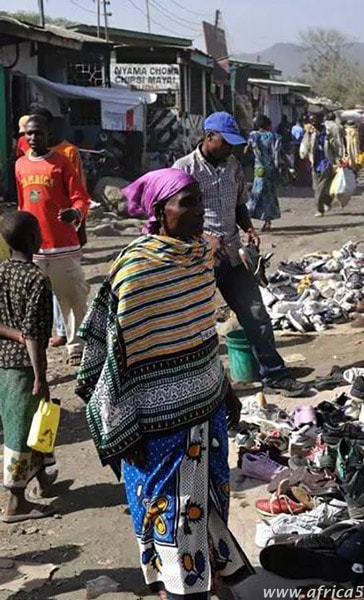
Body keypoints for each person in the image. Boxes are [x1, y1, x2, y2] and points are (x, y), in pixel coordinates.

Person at [77, 168, 253, 600]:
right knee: (169, 512)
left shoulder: (198, 256)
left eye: (199, 200)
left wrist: (225, 385)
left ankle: (208, 577)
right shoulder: (137, 268)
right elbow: (116, 357)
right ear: (160, 210)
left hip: (206, 403)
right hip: (153, 419)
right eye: (186, 202)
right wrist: (124, 426)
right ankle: (178, 589)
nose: (199, 211)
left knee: (211, 498)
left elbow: (200, 329)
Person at [172, 111, 308, 397]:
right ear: (209, 137)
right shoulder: (184, 169)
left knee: (256, 313)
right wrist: (204, 238)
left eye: (234, 144)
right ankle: (195, 387)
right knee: (194, 324)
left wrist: (248, 228)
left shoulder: (232, 165)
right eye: (226, 142)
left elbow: (238, 205)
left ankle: (274, 374)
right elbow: (173, 218)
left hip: (233, 254)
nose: (231, 149)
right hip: (198, 259)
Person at [15, 115, 90, 364]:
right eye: (29, 133)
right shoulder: (20, 166)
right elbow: (22, 203)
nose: (34, 138)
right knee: (33, 303)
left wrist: (75, 213)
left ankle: (75, 347)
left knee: (72, 297)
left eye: (38, 133)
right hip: (33, 248)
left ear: (48, 134)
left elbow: (80, 197)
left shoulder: (61, 163)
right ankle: (34, 352)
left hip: (62, 245)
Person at [0, 211, 56, 523]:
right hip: (24, 367)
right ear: (35, 238)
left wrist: (12, 334)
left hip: (3, 361)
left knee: (36, 422)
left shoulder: (1, 272)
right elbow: (34, 334)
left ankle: (42, 480)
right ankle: (15, 502)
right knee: (21, 432)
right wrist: (40, 376)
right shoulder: (37, 279)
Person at [246, 115, 281, 232]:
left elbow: (246, 150)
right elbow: (277, 154)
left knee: (257, 193)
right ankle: (267, 221)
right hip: (270, 169)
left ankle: (247, 219)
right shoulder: (274, 137)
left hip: (259, 169)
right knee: (269, 195)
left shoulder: (254, 136)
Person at [300, 114, 334, 217]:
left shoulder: (327, 131)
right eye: (311, 121)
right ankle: (327, 202)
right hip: (315, 162)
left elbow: (335, 144)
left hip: (326, 161)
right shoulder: (310, 133)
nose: (313, 123)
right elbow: (305, 146)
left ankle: (319, 210)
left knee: (321, 187)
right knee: (316, 187)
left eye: (315, 121)